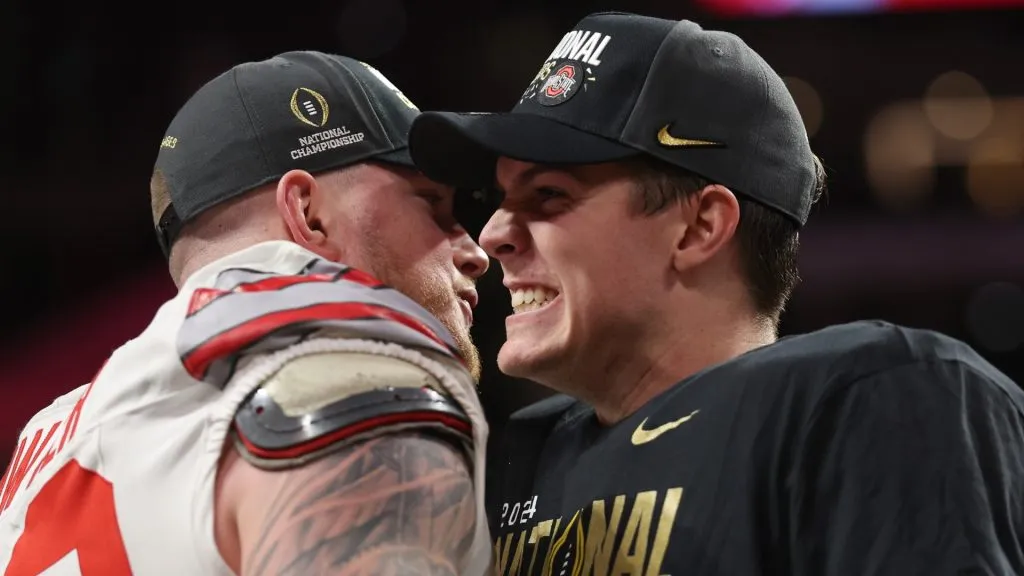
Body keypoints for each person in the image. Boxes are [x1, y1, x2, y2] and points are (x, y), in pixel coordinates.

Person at [408, 11, 1024, 576]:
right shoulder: (516, 457)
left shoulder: (869, 401)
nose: (494, 235)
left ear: (699, 227)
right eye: (501, 199)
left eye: (548, 195)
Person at [0, 51, 493, 575]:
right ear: (308, 213)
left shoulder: (45, 441)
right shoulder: (349, 367)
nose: (476, 252)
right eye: (432, 204)